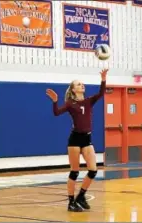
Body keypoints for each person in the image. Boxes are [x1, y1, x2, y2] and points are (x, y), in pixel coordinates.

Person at [46, 69, 108, 212]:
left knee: (93, 170)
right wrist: (55, 101)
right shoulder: (69, 103)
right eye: (79, 84)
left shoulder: (88, 101)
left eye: (82, 84)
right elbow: (56, 113)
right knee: (75, 171)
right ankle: (71, 202)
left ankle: (81, 196)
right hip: (75, 139)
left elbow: (101, 93)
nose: (82, 85)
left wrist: (103, 79)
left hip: (87, 138)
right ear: (73, 89)